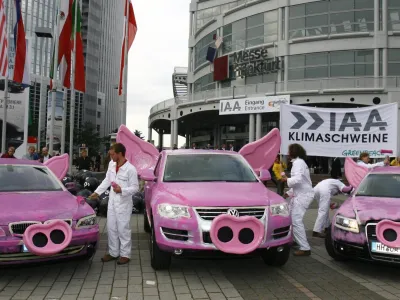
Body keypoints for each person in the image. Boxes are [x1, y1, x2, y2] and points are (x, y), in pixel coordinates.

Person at [89, 143, 139, 265]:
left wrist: (122, 190)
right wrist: (97, 192)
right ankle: (113, 252)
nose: (110, 157)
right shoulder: (112, 165)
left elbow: (135, 188)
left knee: (123, 229)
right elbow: (107, 180)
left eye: (112, 154)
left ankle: (125, 254)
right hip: (112, 202)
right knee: (111, 228)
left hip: (123, 203)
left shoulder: (130, 169)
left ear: (119, 154)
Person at [281, 144, 314, 256]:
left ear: (293, 152)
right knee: (291, 218)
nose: (288, 153)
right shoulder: (299, 162)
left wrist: (286, 179)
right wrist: (289, 192)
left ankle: (305, 248)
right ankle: (295, 240)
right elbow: (301, 182)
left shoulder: (298, 163)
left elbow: (298, 179)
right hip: (301, 194)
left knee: (296, 220)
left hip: (303, 195)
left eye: (289, 151)